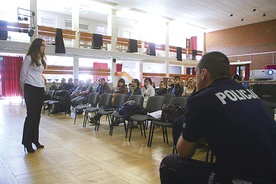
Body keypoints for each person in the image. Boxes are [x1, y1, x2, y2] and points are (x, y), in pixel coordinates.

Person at [160, 51, 276, 183]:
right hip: (271, 172)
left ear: (203, 74)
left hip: (248, 178)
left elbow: (184, 153)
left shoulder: (201, 98)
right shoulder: (248, 92)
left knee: (168, 164)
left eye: (196, 74)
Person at [20, 38, 47, 153]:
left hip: (40, 88)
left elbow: (40, 75)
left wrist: (43, 87)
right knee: (31, 116)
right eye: (42, 45)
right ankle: (27, 142)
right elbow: (22, 75)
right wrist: (24, 90)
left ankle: (35, 140)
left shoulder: (40, 59)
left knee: (37, 116)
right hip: (30, 88)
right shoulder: (28, 58)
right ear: (37, 46)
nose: (44, 48)